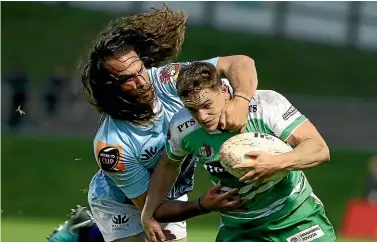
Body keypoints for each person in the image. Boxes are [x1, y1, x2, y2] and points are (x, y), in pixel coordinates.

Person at [48, 5, 258, 242]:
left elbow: (240, 63)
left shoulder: (167, 80)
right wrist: (203, 205)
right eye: (128, 78)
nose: (142, 81)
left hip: (170, 191)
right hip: (122, 203)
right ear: (111, 87)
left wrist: (240, 101)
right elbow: (150, 206)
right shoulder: (112, 145)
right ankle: (86, 232)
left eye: (141, 70)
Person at [141, 62, 336, 242]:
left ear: (224, 91)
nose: (201, 116)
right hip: (240, 229)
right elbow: (168, 165)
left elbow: (319, 149)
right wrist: (148, 213)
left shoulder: (265, 105)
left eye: (207, 105)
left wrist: (275, 163)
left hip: (296, 216)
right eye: (193, 110)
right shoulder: (182, 127)